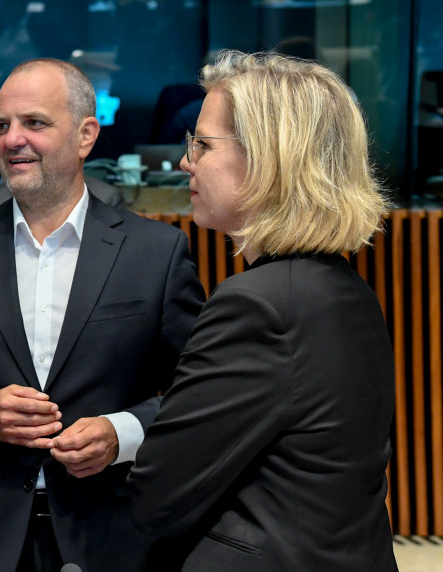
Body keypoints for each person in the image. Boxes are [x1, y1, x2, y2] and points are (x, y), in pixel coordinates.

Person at [0, 58, 205, 572]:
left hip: (116, 536)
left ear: (85, 135)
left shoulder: (156, 253)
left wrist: (124, 432)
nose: (12, 140)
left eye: (34, 123)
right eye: (2, 126)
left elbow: (202, 393)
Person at [128, 51, 398, 571]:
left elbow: (157, 494)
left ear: (267, 157)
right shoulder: (346, 289)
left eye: (202, 144)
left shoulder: (256, 303)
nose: (186, 161)